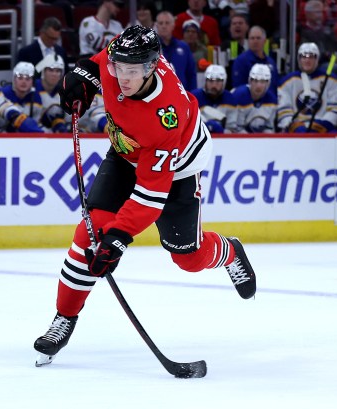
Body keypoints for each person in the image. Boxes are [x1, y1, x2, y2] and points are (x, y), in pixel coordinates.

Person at [33, 25, 256, 366]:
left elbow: (151, 196)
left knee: (188, 257)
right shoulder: (125, 54)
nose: (122, 77)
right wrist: (81, 76)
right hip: (125, 153)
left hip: (176, 167)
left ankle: (229, 251)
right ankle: (65, 317)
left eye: (132, 72)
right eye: (119, 68)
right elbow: (99, 62)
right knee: (89, 234)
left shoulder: (165, 115)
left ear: (153, 67)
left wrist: (120, 237)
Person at [277, 42, 337, 133]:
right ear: (299, 59)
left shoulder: (331, 80)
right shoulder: (287, 81)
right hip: (295, 130)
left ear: (317, 59)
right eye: (304, 56)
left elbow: (335, 109)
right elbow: (284, 111)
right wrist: (294, 126)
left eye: (311, 57)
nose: (307, 60)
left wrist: (321, 125)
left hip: (323, 129)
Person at [230, 26, 278, 95]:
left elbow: (274, 86)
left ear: (264, 41)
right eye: (252, 38)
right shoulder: (241, 61)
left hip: (270, 103)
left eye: (258, 38)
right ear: (248, 41)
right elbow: (238, 88)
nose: (255, 41)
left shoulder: (271, 62)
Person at [191, 64, 238, 133]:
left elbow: (233, 130)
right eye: (210, 81)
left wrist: (222, 131)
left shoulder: (230, 99)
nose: (214, 85)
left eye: (218, 81)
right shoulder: (194, 97)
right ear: (205, 81)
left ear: (224, 82)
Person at [156, 11, 196, 91]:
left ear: (173, 25)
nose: (164, 26)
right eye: (161, 23)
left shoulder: (183, 47)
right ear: (156, 26)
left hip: (181, 95)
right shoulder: (150, 48)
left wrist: (192, 95)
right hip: (158, 95)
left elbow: (191, 74)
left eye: (167, 23)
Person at [232, 63, 277, 133]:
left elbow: (269, 128)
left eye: (262, 82)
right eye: (255, 81)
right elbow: (236, 128)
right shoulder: (238, 96)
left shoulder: (272, 100)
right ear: (250, 81)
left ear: (268, 84)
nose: (258, 86)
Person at [1, 62, 45, 132]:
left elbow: (36, 123)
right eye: (20, 78)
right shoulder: (3, 94)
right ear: (14, 79)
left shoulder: (36, 98)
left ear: (32, 81)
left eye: (27, 79)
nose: (24, 82)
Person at [35, 53, 69, 133]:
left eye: (58, 71)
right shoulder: (32, 88)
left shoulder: (66, 91)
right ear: (43, 71)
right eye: (50, 70)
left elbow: (68, 119)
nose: (54, 74)